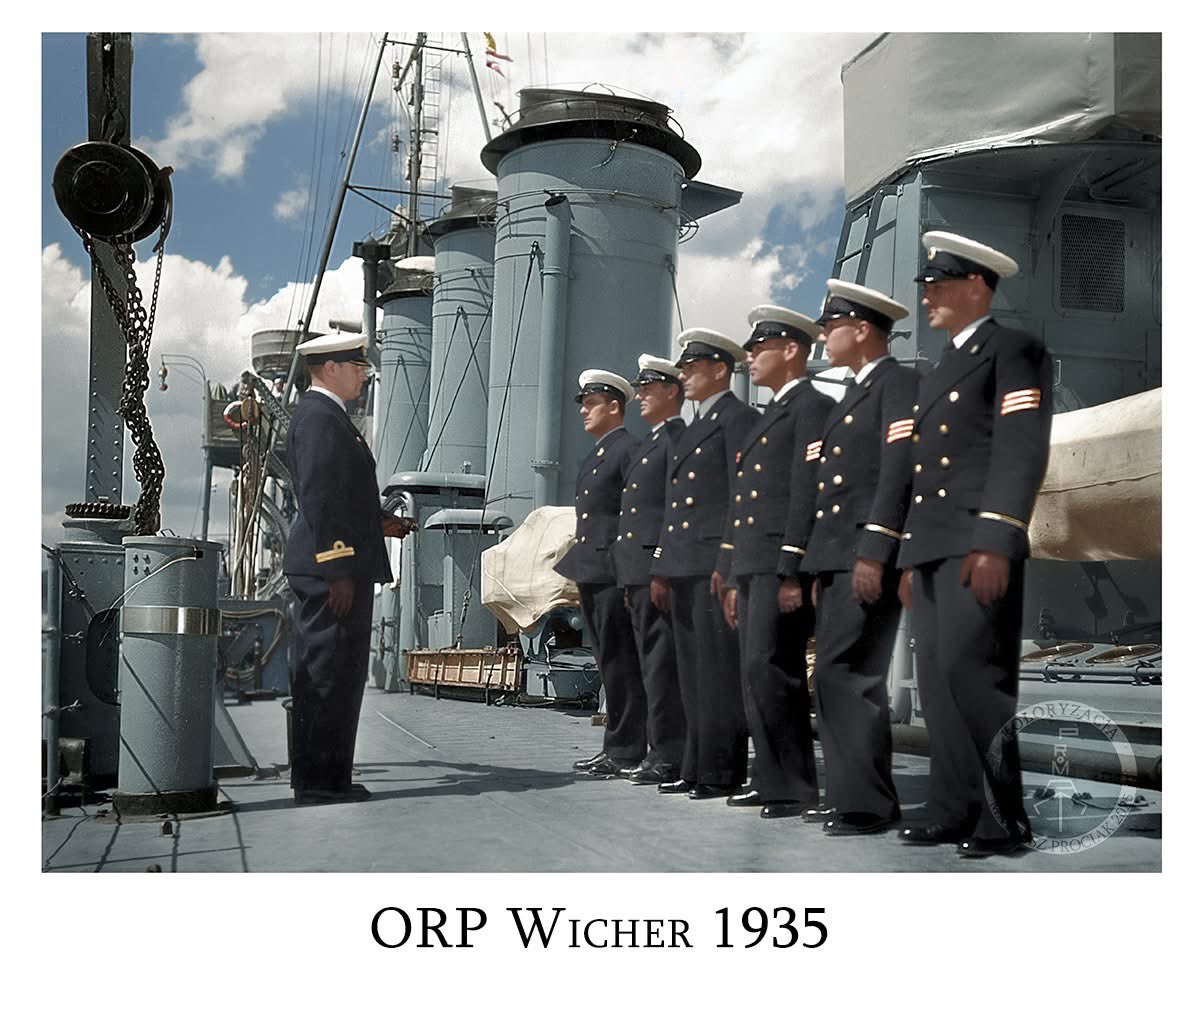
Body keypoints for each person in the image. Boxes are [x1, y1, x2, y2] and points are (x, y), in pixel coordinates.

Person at [897, 231, 1053, 857]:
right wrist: (909, 557)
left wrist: (997, 537)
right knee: (937, 683)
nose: (927, 296)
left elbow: (1020, 449)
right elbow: (922, 471)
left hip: (977, 543)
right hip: (933, 549)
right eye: (926, 286)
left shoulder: (1015, 351)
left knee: (976, 678)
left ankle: (1002, 818)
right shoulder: (936, 371)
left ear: (978, 286)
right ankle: (951, 809)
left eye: (939, 285)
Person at [801, 280, 918, 835]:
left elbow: (897, 471)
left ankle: (865, 804)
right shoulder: (848, 399)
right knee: (832, 676)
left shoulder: (899, 384)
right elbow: (829, 489)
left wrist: (876, 549)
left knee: (849, 674)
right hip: (836, 559)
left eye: (831, 325)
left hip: (865, 556)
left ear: (863, 329)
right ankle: (857, 796)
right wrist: (820, 567)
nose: (824, 335)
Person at [283, 332, 414, 805]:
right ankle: (318, 781)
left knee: (340, 673)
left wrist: (380, 524)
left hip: (334, 563)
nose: (364, 373)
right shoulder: (320, 419)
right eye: (356, 366)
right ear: (331, 368)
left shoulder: (330, 418)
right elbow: (319, 496)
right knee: (326, 672)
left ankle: (328, 776)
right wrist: (338, 570)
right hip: (328, 571)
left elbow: (341, 496)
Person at [719, 307, 833, 819]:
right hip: (753, 562)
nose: (750, 355)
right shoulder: (769, 417)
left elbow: (807, 490)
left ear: (791, 351)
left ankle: (792, 785)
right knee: (754, 673)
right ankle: (768, 777)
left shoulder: (812, 406)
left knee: (775, 670)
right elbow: (746, 498)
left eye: (759, 346)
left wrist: (792, 562)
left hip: (778, 561)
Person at [649, 329, 758, 799]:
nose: (685, 375)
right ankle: (694, 766)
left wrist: (729, 564)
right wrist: (664, 566)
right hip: (684, 565)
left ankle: (721, 770)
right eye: (683, 368)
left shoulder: (739, 420)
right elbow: (676, 507)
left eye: (693, 368)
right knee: (691, 674)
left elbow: (741, 497)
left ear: (720, 370)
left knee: (717, 675)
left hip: (713, 562)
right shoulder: (694, 429)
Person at [554, 370, 646, 777]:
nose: (584, 412)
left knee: (623, 662)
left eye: (592, 404)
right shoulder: (596, 455)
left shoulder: (629, 451)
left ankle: (628, 750)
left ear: (615, 407)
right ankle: (618, 746)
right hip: (593, 569)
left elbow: (635, 518)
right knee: (609, 661)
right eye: (584, 405)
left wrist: (630, 575)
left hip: (613, 571)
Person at [611, 356, 689, 786]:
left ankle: (669, 753)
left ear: (672, 391)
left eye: (648, 387)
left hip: (657, 569)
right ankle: (659, 749)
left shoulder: (677, 440)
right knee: (650, 664)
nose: (640, 395)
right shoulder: (652, 443)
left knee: (662, 666)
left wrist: (659, 565)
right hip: (639, 572)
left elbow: (675, 511)